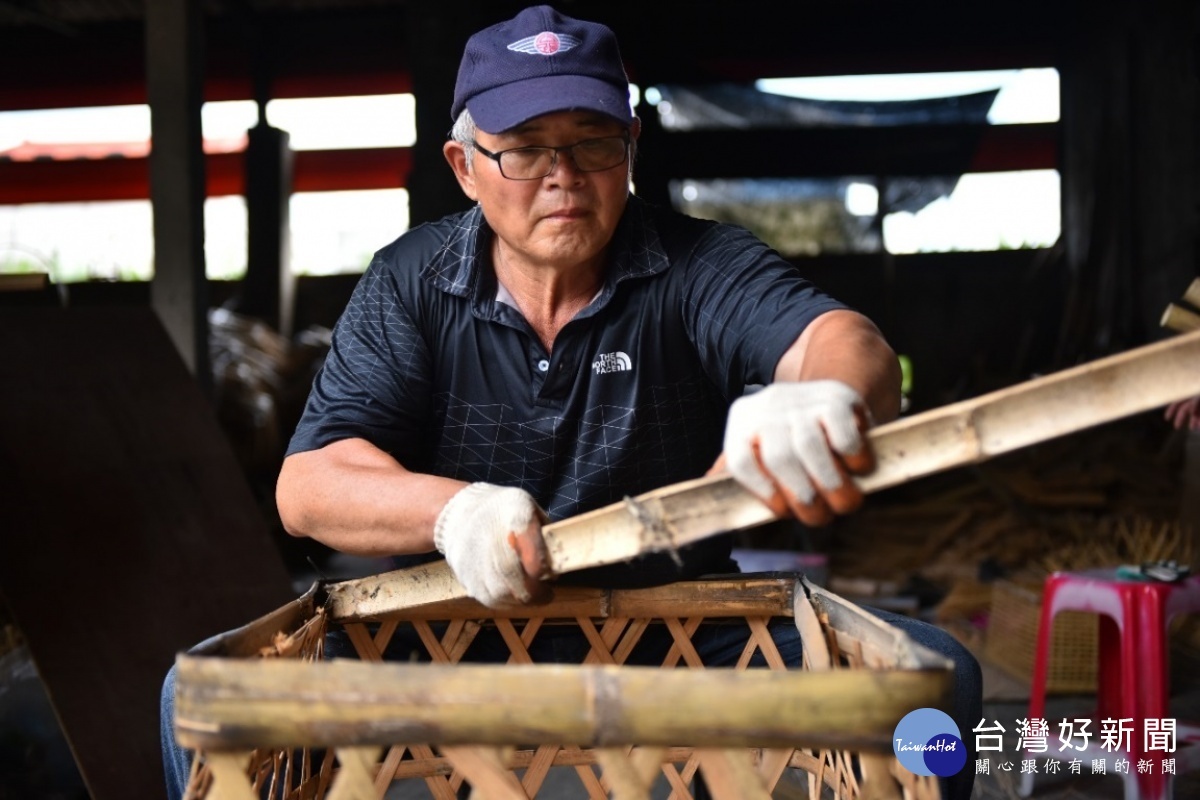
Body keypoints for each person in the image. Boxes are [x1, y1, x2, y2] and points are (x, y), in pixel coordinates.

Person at [162, 6, 981, 798]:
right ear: (465, 166)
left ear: (630, 149)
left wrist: (820, 399)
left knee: (937, 681)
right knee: (195, 695)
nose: (563, 175)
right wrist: (455, 515)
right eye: (523, 150)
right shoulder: (412, 282)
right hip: (443, 635)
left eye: (591, 142)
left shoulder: (696, 265)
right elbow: (309, 484)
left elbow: (848, 344)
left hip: (682, 635)